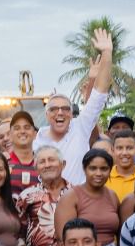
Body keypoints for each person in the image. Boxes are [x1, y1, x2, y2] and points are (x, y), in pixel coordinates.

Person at [34, 27, 115, 183]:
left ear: (71, 114)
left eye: (65, 108)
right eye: (54, 109)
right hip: (46, 205)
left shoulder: (80, 127)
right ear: (47, 115)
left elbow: (99, 94)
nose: (60, 113)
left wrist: (107, 53)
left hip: (78, 205)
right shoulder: (37, 141)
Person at [55, 148, 129, 246]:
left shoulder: (112, 196)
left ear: (110, 170)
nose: (98, 173)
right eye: (93, 168)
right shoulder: (71, 196)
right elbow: (62, 240)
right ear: (85, 169)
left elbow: (121, 236)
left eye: (104, 169)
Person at [16, 146, 69, 246]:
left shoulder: (76, 194)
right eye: (42, 162)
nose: (47, 165)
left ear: (63, 164)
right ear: (36, 168)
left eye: (51, 160)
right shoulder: (26, 196)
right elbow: (18, 237)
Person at [4, 110, 40, 196]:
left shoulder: (43, 162)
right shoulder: (2, 162)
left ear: (35, 134)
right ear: (10, 135)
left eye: (27, 127)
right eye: (17, 128)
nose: (22, 131)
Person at [105, 130, 135, 201]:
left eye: (129, 148)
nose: (124, 153)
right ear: (113, 151)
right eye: (119, 148)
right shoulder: (104, 177)